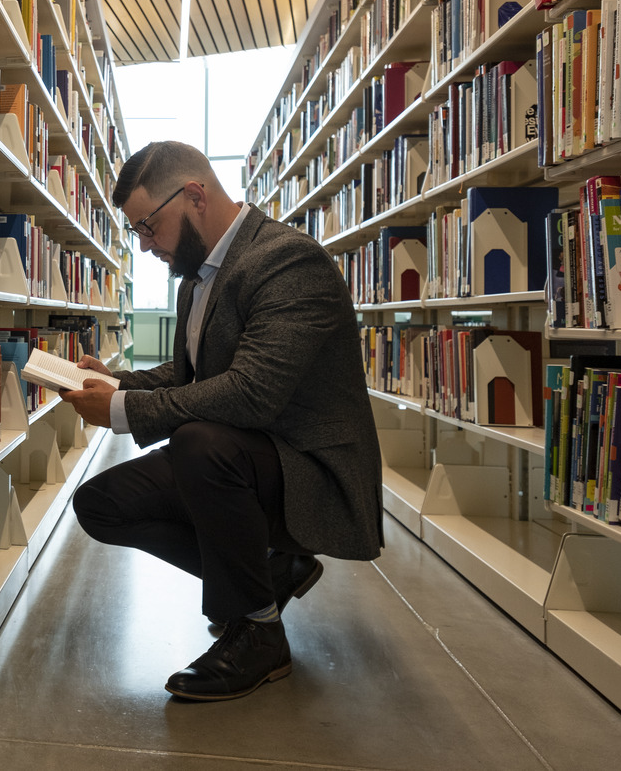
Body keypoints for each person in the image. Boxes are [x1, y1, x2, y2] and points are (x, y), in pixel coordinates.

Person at [60, 140, 383, 702]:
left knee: (199, 444)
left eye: (148, 227)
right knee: (100, 504)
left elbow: (250, 393)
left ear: (194, 196)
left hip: (307, 471)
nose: (146, 245)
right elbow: (191, 375)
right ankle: (270, 574)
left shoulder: (287, 259)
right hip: (246, 460)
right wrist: (114, 383)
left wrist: (119, 412)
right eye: (137, 232)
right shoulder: (199, 278)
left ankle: (257, 632)